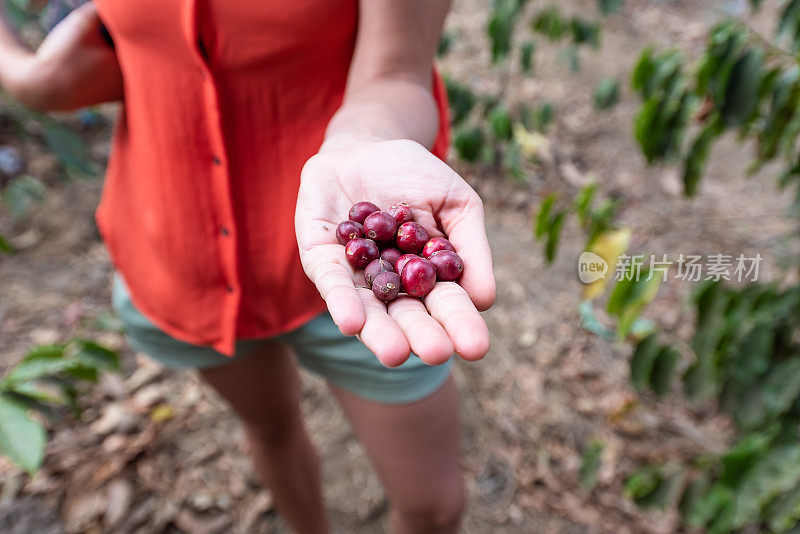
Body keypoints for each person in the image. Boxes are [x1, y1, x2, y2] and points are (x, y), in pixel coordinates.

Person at [0, 1, 495, 532]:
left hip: (326, 264)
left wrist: (361, 143)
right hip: (182, 257)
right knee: (269, 426)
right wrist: (28, 76)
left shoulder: (372, 256)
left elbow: (397, 73)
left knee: (433, 505)